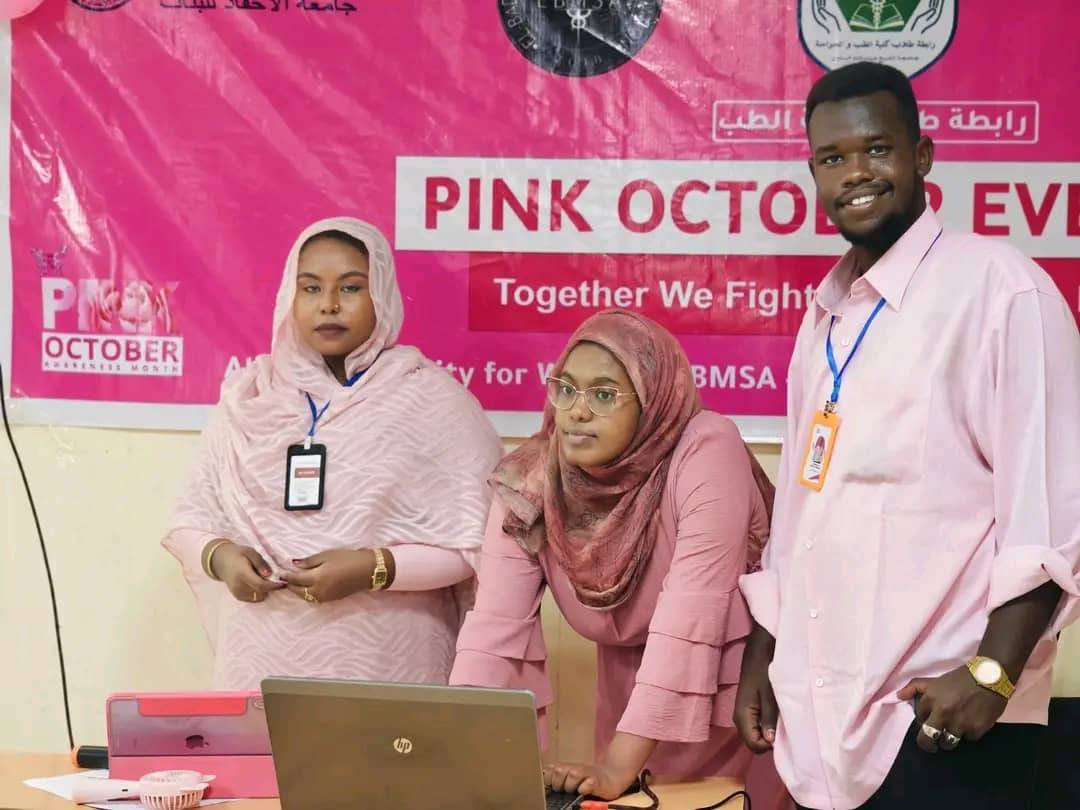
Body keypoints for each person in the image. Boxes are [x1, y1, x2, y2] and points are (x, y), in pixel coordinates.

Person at [734, 61, 1080, 810]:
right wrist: (766, 652)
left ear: (922, 156)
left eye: (876, 149)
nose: (855, 173)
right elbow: (799, 512)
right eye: (832, 158)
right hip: (823, 724)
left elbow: (1051, 511)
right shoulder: (825, 318)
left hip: (948, 720)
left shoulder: (1001, 291)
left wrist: (992, 673)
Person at [450, 310, 790, 808]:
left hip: (735, 701)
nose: (576, 411)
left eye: (604, 395)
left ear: (652, 402)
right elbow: (492, 631)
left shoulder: (705, 448)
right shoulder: (535, 477)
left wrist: (616, 767)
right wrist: (456, 751)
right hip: (629, 708)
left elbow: (691, 615)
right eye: (566, 388)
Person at [164, 217, 502, 690]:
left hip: (387, 663)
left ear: (381, 295)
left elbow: (476, 544)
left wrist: (375, 568)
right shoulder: (250, 396)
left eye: (350, 287)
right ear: (289, 297)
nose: (329, 304)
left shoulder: (434, 401)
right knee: (262, 744)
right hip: (261, 662)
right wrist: (220, 557)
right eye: (310, 288)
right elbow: (188, 519)